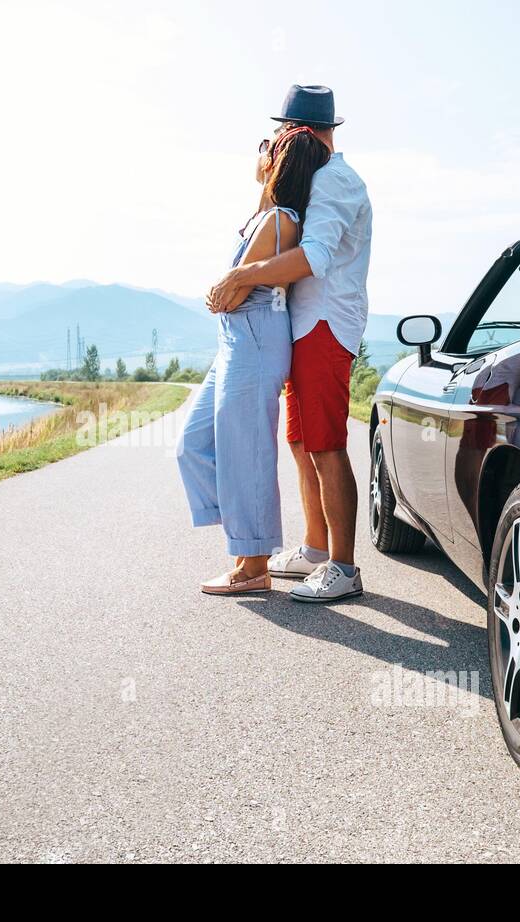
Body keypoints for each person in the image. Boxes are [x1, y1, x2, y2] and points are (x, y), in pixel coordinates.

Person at [206, 84, 373, 603]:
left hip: (325, 324)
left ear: (299, 130)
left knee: (326, 445)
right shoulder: (317, 177)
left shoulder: (337, 180)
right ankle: (316, 549)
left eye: (280, 130)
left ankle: (344, 567)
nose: (275, 140)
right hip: (300, 326)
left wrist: (243, 276)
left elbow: (316, 256)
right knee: (300, 444)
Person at [176, 122, 331, 595]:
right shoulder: (265, 218)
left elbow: (231, 292)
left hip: (255, 337)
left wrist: (230, 285)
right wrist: (230, 286)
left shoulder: (281, 220)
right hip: (236, 341)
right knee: (193, 444)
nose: (259, 151)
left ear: (276, 162)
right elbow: (230, 289)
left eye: (267, 146)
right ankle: (246, 532)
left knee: (247, 450)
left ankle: (253, 563)